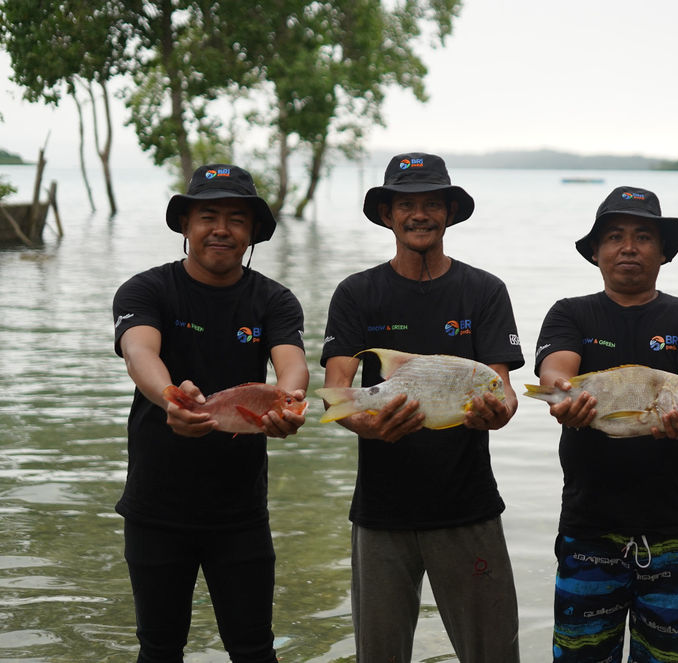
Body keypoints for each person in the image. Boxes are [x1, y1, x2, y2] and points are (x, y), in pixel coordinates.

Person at [320, 152, 523, 662]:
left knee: (494, 654)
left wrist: (500, 412)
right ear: (387, 215)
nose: (420, 214)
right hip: (381, 512)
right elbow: (337, 389)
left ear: (449, 213)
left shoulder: (484, 291)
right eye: (406, 204)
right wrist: (369, 425)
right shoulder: (357, 293)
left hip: (468, 505)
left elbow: (502, 388)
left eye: (433, 203)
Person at [112, 164, 309, 663]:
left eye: (236, 219)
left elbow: (292, 364)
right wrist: (171, 399)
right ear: (185, 225)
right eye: (208, 215)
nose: (221, 228)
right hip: (155, 509)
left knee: (253, 650)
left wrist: (289, 403)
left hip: (240, 513)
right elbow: (139, 352)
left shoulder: (274, 300)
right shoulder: (146, 290)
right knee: (158, 650)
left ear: (251, 234)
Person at [534, 186, 678, 663]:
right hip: (587, 528)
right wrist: (560, 395)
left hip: (673, 530)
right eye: (614, 237)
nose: (629, 247)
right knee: (581, 656)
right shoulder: (570, 312)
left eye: (643, 237)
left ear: (662, 252)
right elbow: (556, 372)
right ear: (596, 252)